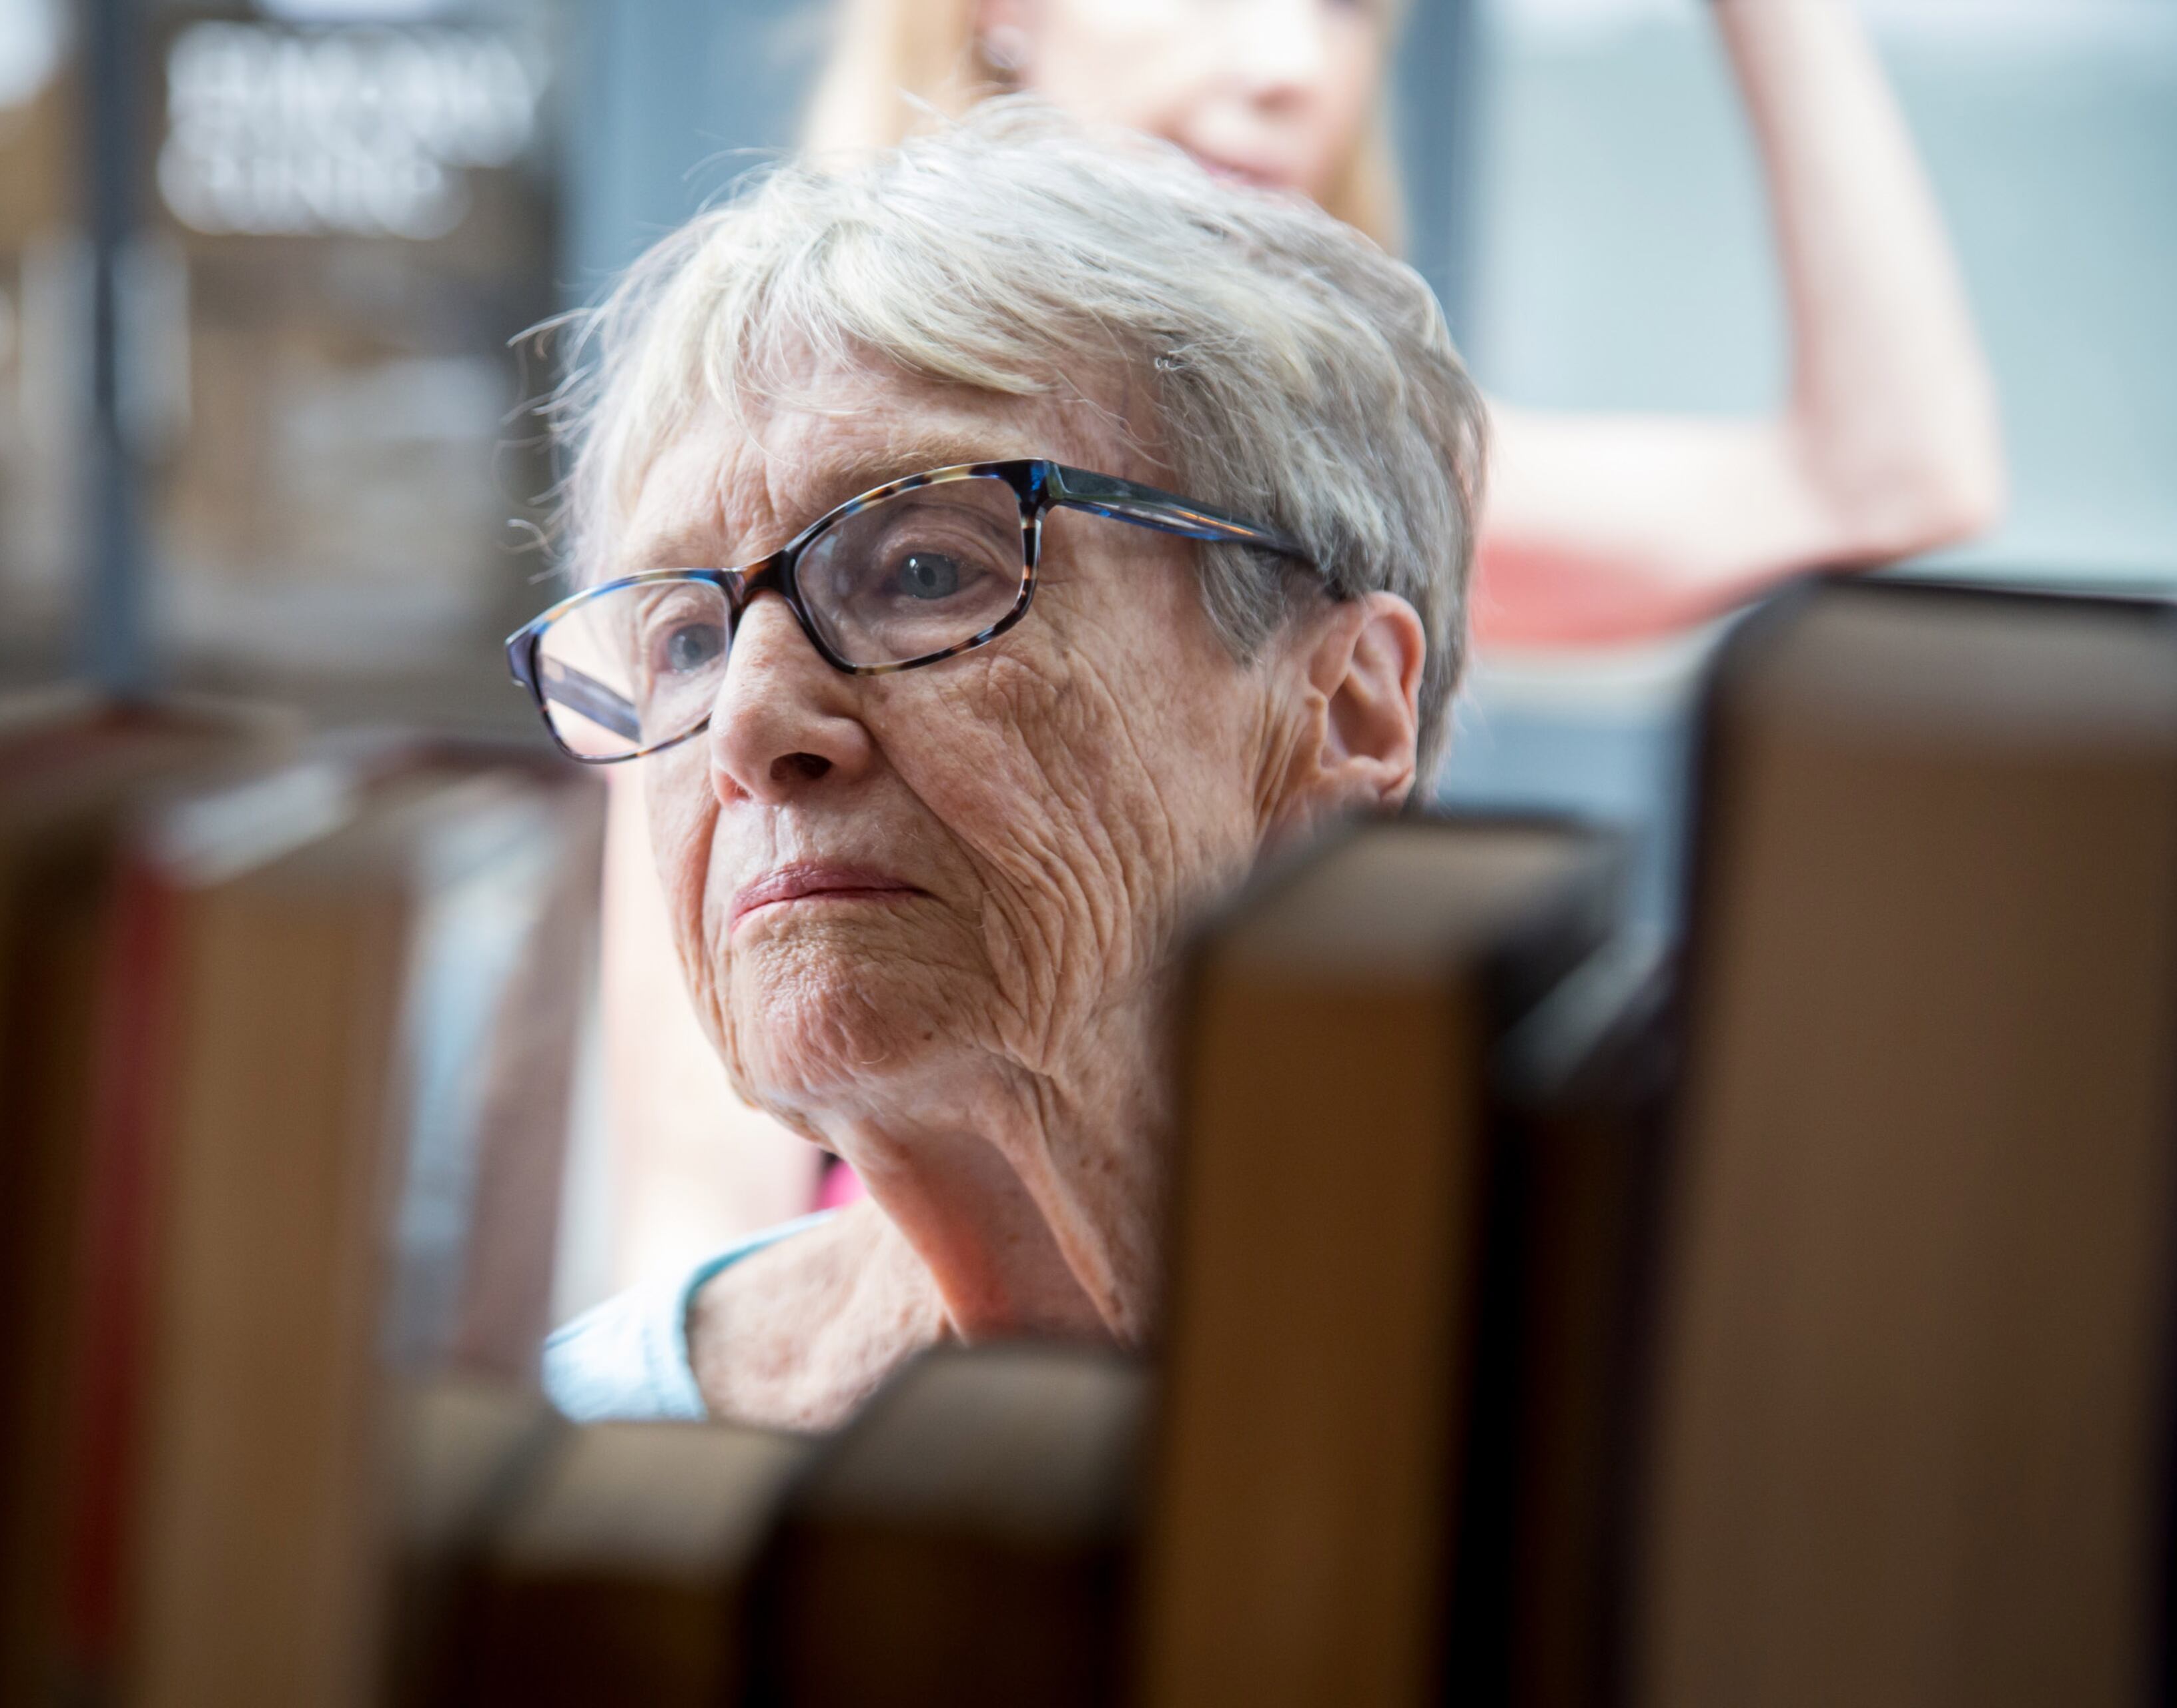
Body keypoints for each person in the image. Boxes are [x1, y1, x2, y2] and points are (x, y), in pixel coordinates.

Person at [596, 0, 2010, 1290]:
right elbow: (686, 1208)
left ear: (1358, 692)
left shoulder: (1326, 475)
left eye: (1345, 11)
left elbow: (1893, 479)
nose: (1285, 67)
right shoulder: (729, 477)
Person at [529, 104, 1483, 1426]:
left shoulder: (1676, 1453)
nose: (749, 728)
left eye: (925, 569)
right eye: (686, 636)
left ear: (1346, 711)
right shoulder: (578, 1472)